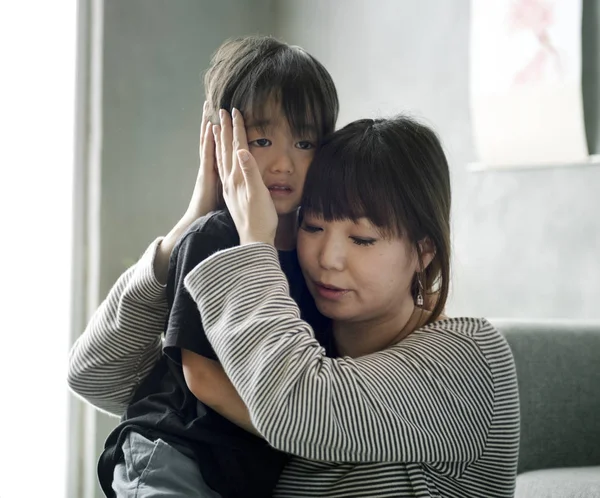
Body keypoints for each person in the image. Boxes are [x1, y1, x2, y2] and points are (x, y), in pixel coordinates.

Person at [70, 109, 520, 497]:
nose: (328, 259)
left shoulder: (470, 357)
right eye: (313, 227)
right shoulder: (302, 335)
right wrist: (190, 227)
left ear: (424, 251)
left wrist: (254, 246)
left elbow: (296, 410)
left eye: (362, 239)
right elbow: (97, 377)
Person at [68, 35, 338, 498]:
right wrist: (301, 436)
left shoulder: (321, 251)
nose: (283, 163)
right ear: (220, 139)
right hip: (173, 451)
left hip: (238, 467)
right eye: (262, 138)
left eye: (305, 141)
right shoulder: (213, 236)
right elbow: (199, 375)